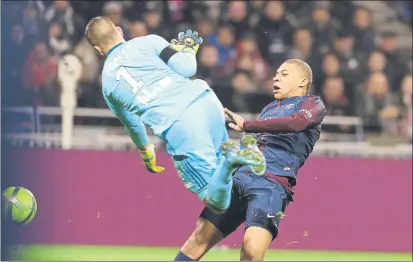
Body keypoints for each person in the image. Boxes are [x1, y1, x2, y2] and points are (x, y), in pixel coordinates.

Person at [84, 16, 265, 214]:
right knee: (219, 172)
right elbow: (188, 68)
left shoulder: (108, 84)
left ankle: (233, 158)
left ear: (98, 50)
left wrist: (146, 153)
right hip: (206, 102)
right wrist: (187, 50)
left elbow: (133, 124)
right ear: (119, 31)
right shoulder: (148, 41)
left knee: (216, 203)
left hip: (180, 126)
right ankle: (234, 155)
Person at [174, 59, 326, 261]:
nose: (276, 77)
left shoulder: (313, 104)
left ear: (302, 82)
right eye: (276, 73)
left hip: (271, 184)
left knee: (252, 250)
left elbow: (296, 124)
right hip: (240, 179)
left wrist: (248, 125)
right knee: (198, 238)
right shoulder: (270, 108)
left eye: (284, 74)